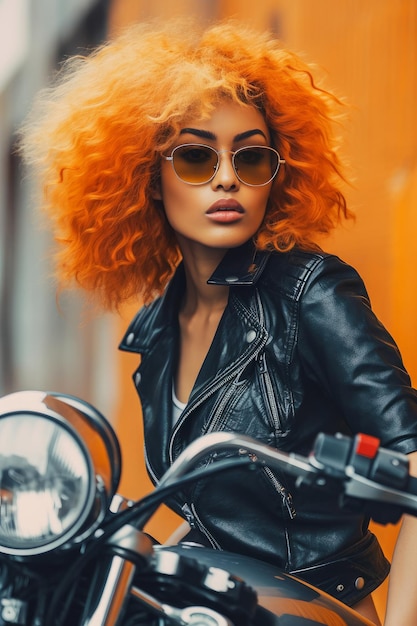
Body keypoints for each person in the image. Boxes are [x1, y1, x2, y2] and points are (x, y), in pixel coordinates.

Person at [18, 18, 417, 625]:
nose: (227, 176)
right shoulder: (154, 333)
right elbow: (207, 502)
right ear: (146, 175)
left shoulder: (311, 292)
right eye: (197, 156)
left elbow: (412, 463)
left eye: (251, 157)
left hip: (312, 613)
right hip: (206, 609)